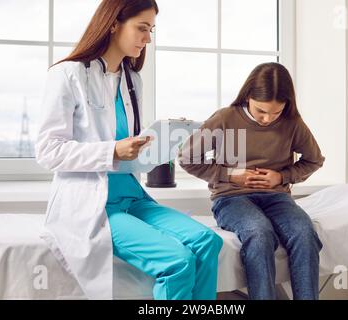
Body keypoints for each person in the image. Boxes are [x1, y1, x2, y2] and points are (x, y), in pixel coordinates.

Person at [35, 0, 222, 300]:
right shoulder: (68, 75)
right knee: (177, 261)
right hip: (93, 204)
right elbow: (48, 150)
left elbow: (129, 149)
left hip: (132, 196)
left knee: (207, 241)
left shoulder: (132, 80)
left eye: (151, 30)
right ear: (113, 24)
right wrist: (112, 151)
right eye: (142, 28)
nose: (148, 38)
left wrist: (159, 146)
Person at [179, 62, 325, 300]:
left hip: (277, 197)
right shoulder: (224, 118)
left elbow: (314, 160)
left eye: (276, 112)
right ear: (248, 96)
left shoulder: (292, 123)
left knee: (304, 233)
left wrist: (282, 176)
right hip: (231, 198)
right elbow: (187, 158)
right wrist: (230, 175)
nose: (268, 118)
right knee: (259, 233)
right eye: (261, 111)